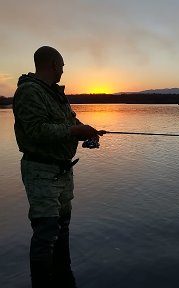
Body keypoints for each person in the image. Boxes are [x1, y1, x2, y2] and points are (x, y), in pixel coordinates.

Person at [13, 46, 104, 288]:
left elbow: (70, 121)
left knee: (62, 228)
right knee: (46, 232)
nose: (63, 70)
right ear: (53, 64)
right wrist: (75, 131)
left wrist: (87, 130)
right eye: (62, 65)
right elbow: (36, 130)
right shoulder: (29, 92)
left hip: (63, 171)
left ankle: (64, 277)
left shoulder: (55, 94)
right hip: (41, 171)